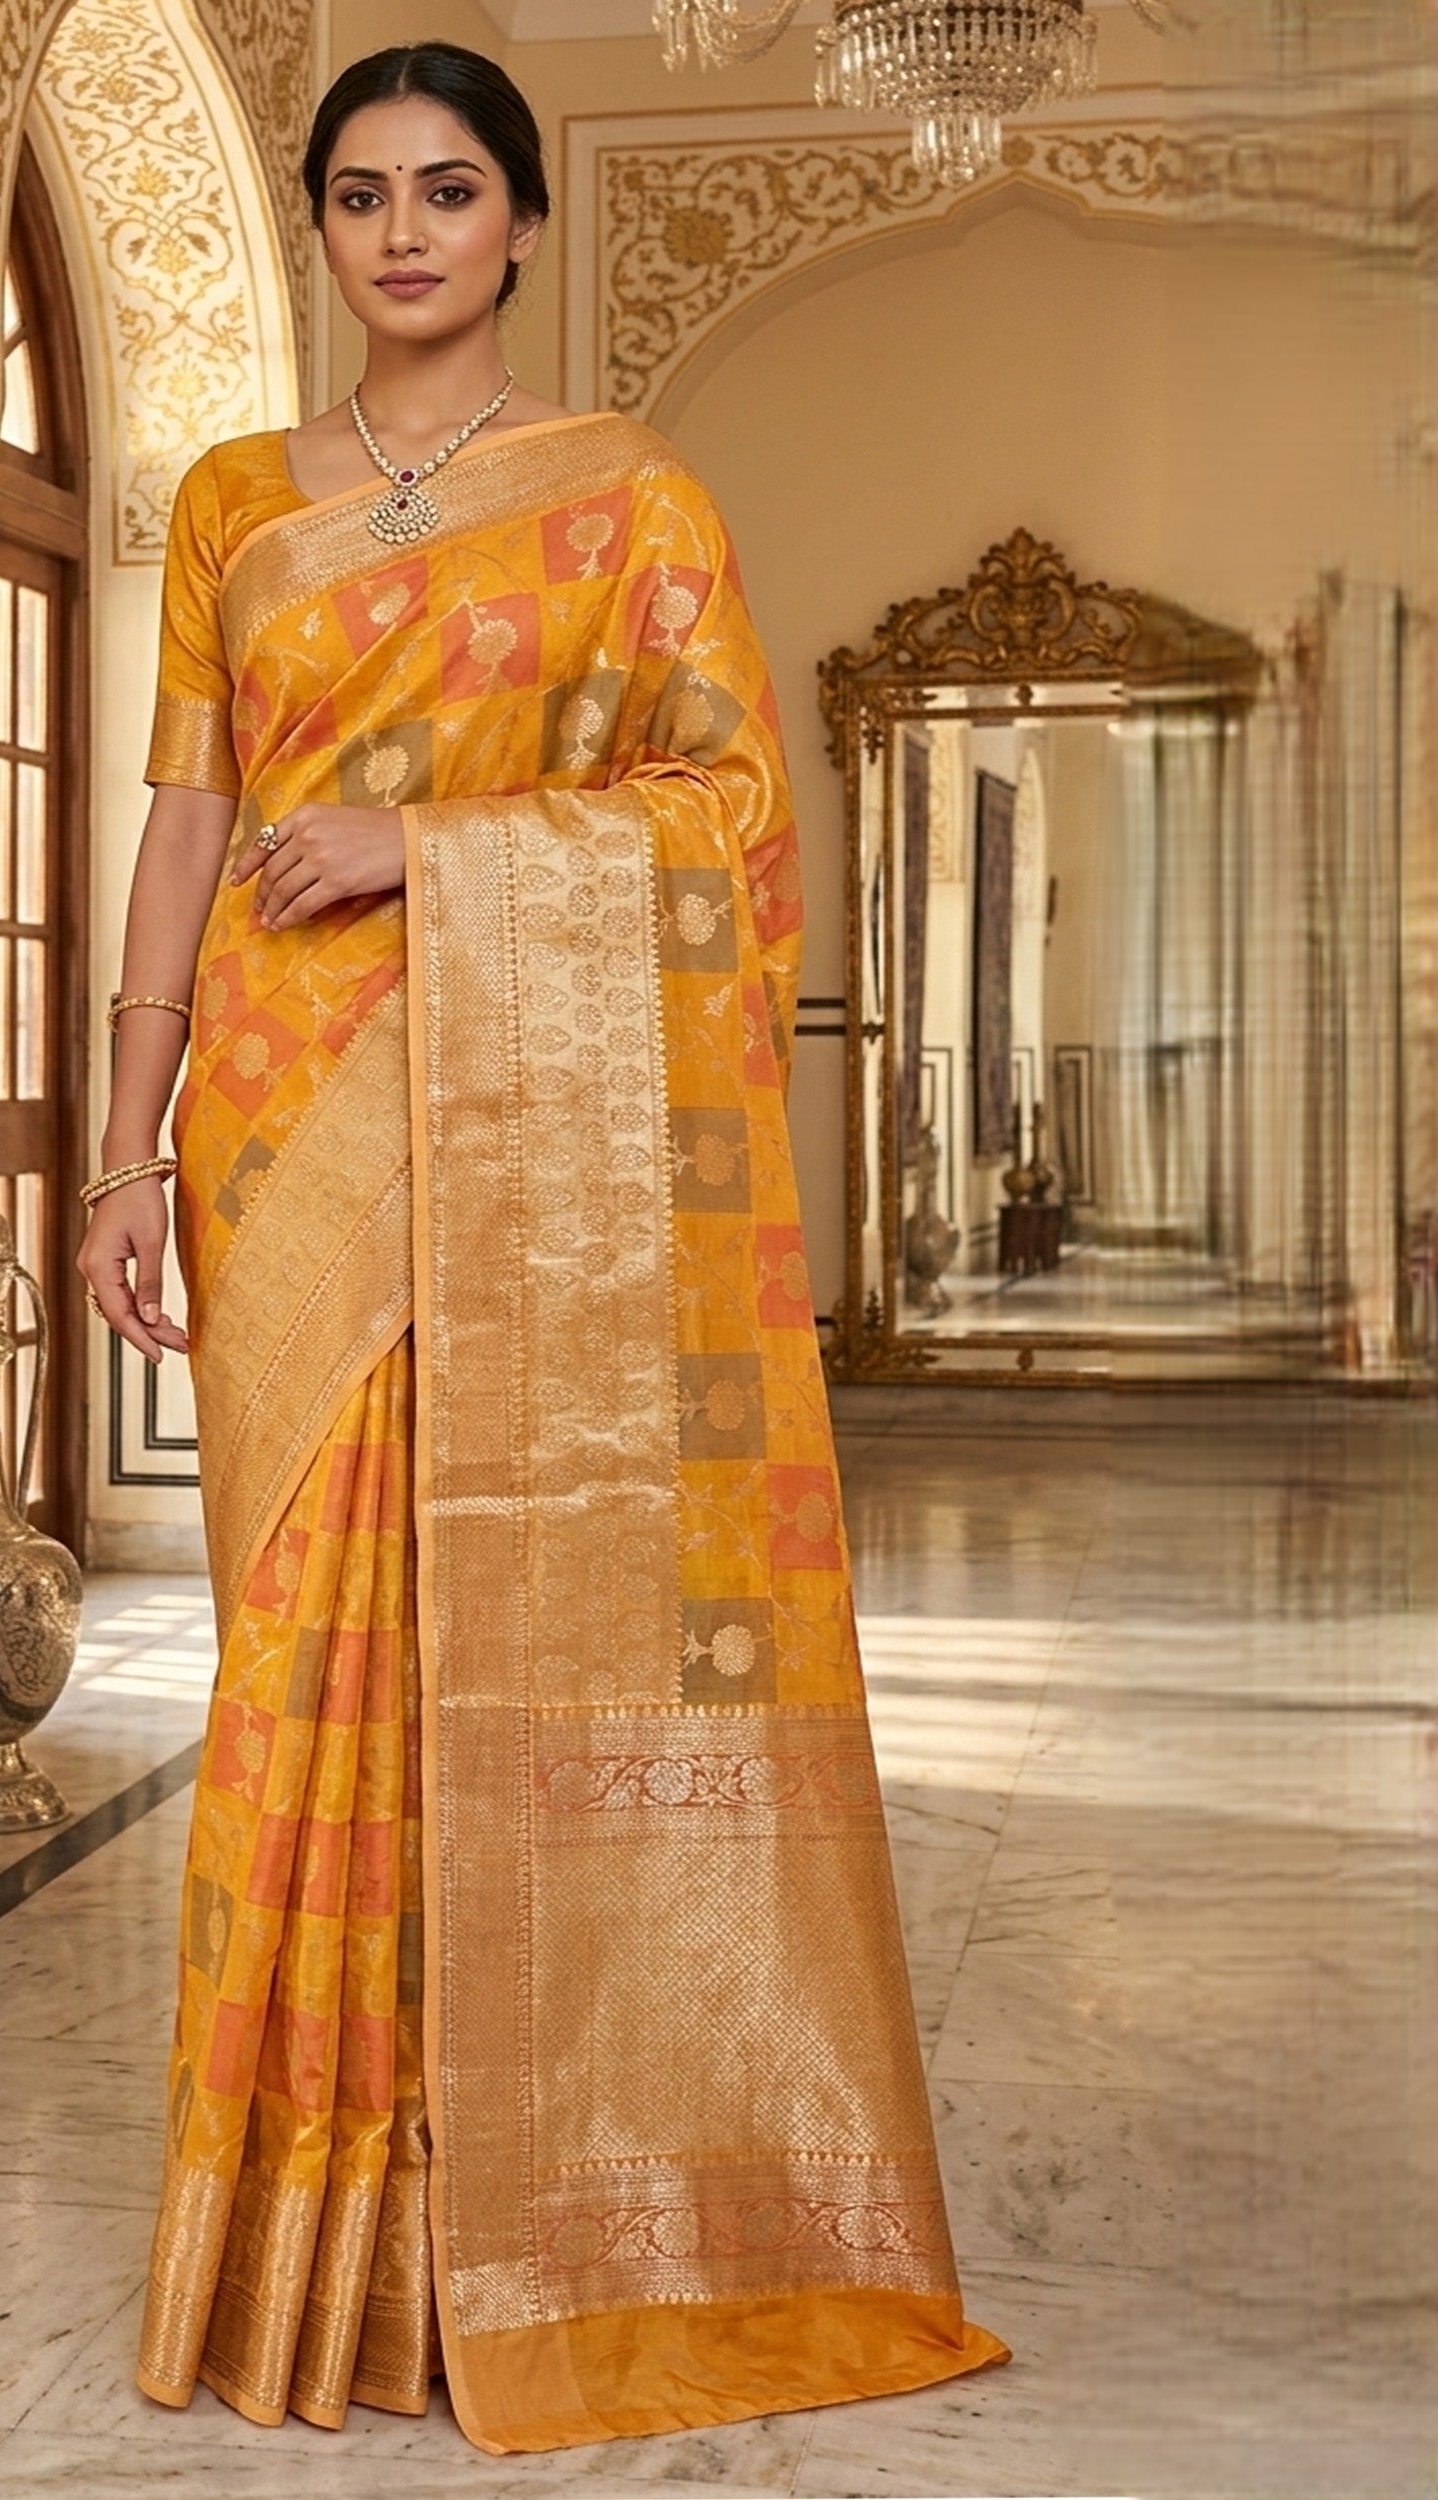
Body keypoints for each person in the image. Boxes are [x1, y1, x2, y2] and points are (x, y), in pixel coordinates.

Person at [76, 39, 1009, 2458]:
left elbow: (723, 808)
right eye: (363, 194)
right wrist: (114, 1124)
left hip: (508, 1119)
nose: (404, 232)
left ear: (517, 229)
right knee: (297, 1661)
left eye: (451, 191)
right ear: (318, 228)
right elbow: (183, 819)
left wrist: (424, 852)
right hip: (282, 1123)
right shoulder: (227, 501)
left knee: (498, 1632)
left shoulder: (626, 502)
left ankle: (540, 2217)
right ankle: (303, 2245)